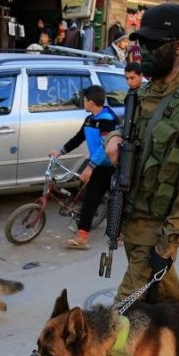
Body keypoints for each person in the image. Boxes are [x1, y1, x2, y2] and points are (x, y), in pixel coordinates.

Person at [34, 2, 179, 356]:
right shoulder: (140, 96)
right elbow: (127, 135)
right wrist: (115, 137)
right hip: (133, 222)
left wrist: (167, 244)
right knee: (171, 312)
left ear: (178, 46)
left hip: (157, 232)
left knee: (115, 322)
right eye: (140, 44)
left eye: (152, 45)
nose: (143, 52)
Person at [48, 86, 119, 249]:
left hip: (111, 167)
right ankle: (82, 237)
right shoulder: (89, 120)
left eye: (84, 100)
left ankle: (122, 233)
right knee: (89, 200)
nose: (83, 103)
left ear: (91, 102)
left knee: (119, 201)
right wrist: (60, 151)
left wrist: (90, 167)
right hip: (97, 166)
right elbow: (78, 138)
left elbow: (105, 147)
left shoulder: (108, 120)